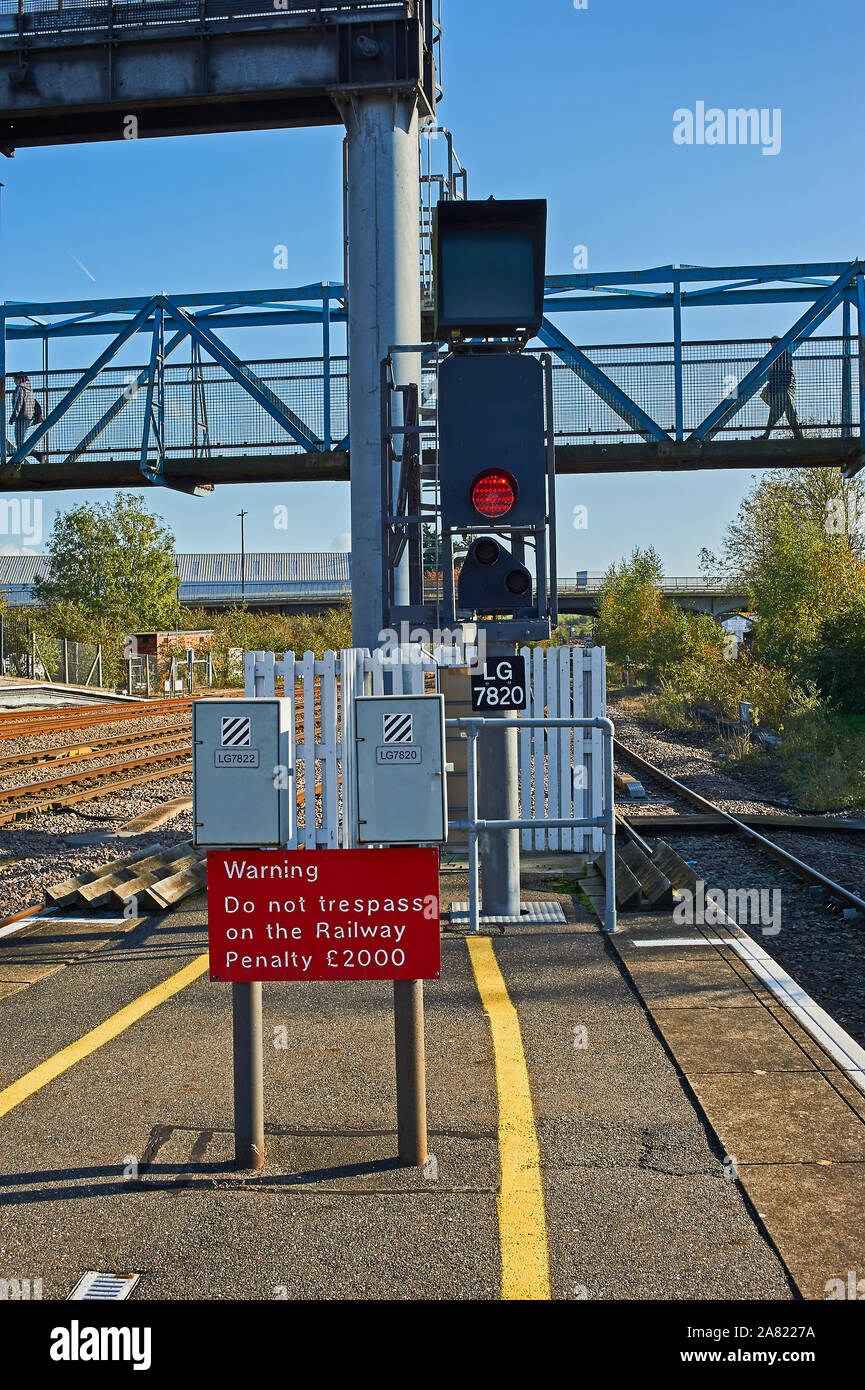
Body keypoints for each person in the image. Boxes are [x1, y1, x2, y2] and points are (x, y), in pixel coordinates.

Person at [761, 336, 802, 440]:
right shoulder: (779, 356)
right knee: (785, 414)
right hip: (781, 389)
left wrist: (775, 387)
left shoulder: (781, 356)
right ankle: (798, 437)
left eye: (774, 343)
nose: (772, 345)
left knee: (785, 414)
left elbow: (783, 374)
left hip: (784, 389)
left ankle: (766, 435)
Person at [8, 372, 45, 461]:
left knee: (20, 444)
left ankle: (36, 455)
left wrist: (13, 418)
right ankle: (34, 456)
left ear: (19, 379)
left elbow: (18, 403)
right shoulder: (29, 389)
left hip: (21, 418)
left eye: (15, 379)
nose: (14, 381)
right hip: (29, 417)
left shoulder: (20, 388)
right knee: (21, 443)